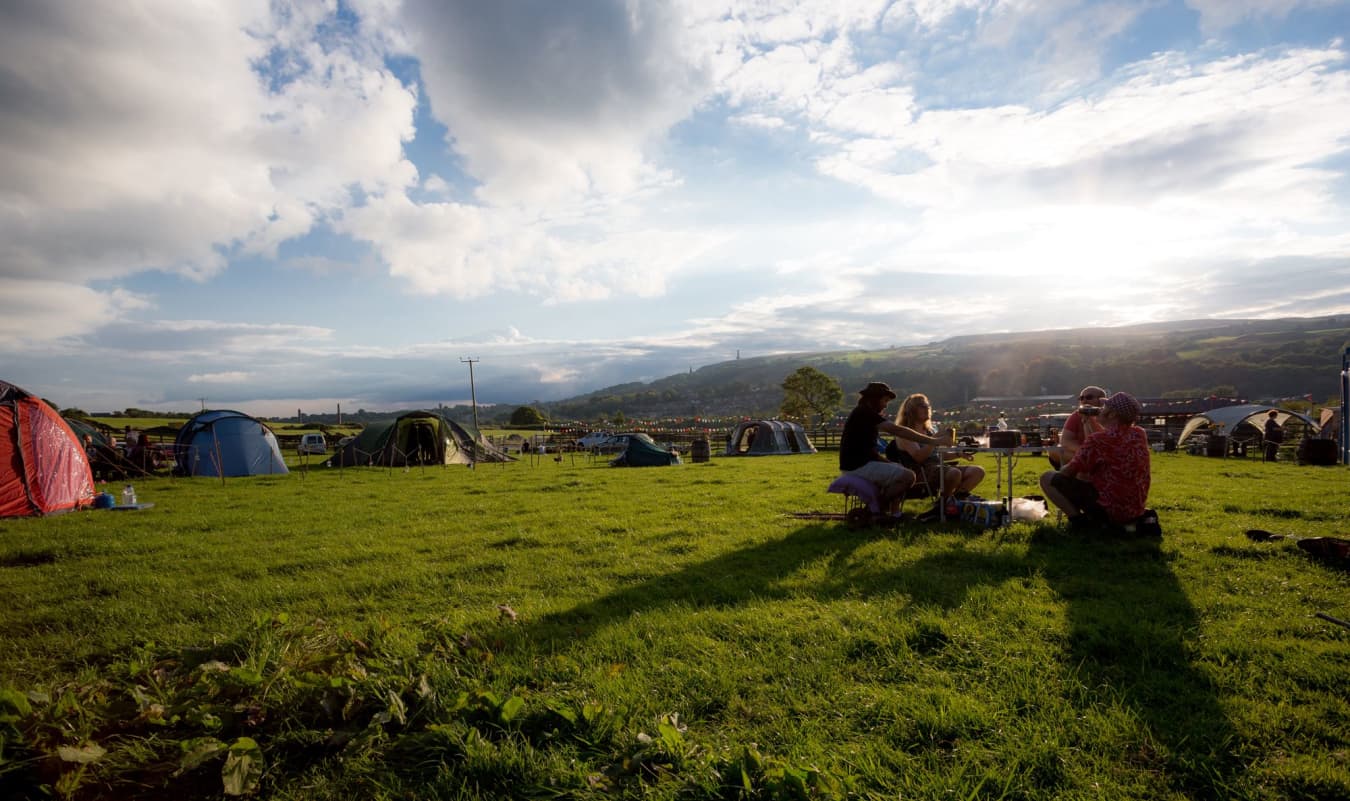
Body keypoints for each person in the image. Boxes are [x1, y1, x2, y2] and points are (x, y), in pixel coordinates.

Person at [1039, 391, 1151, 530]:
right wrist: (1088, 422)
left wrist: (1060, 469)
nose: (1099, 410)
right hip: (1134, 510)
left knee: (1047, 478)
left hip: (1109, 509)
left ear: (1112, 414)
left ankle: (1079, 522)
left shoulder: (1099, 440)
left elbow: (1069, 471)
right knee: (1086, 476)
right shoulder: (1139, 434)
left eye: (1104, 408)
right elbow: (1100, 445)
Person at [840, 382, 954, 517]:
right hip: (857, 466)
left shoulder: (863, 413)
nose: (885, 405)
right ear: (875, 398)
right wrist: (934, 441)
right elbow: (898, 430)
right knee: (908, 476)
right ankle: (876, 509)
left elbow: (869, 452)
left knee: (901, 470)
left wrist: (890, 463)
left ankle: (891, 512)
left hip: (858, 464)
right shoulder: (865, 413)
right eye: (884, 400)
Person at [887, 393, 985, 520]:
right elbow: (919, 457)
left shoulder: (929, 431)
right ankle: (943, 507)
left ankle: (949, 503)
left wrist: (958, 454)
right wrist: (935, 439)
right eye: (922, 406)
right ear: (911, 410)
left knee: (977, 471)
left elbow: (937, 455)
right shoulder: (905, 433)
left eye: (927, 405)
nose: (927, 408)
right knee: (954, 473)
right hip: (918, 473)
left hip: (937, 468)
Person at [1048, 385, 1108, 470]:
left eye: (1089, 397)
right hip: (1080, 452)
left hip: (1103, 454)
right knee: (1053, 450)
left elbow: (1101, 441)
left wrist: (1090, 419)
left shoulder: (1110, 416)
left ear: (1102, 400)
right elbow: (1066, 441)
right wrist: (1083, 452)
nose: (1084, 401)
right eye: (1081, 398)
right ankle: (1085, 465)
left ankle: (1083, 467)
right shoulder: (1076, 415)